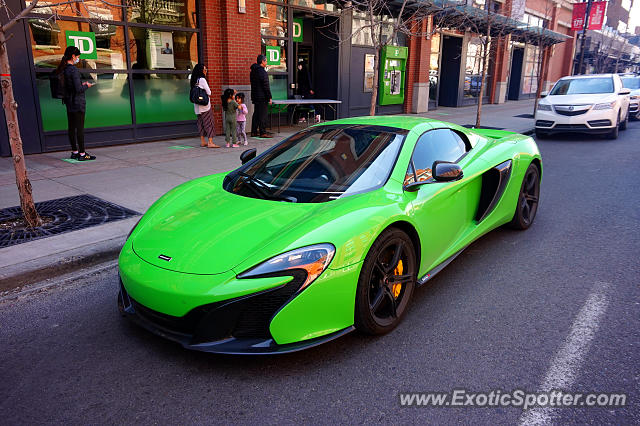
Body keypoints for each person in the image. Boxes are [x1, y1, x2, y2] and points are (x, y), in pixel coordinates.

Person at [57, 46, 95, 161]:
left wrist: (81, 85)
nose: (78, 59)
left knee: (71, 128)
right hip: (78, 103)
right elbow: (78, 89)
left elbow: (71, 87)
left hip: (69, 103)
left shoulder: (63, 69)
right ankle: (83, 154)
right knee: (80, 129)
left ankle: (74, 152)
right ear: (73, 56)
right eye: (78, 57)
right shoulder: (73, 70)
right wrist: (86, 86)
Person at [190, 63, 219, 148]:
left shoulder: (194, 80)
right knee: (209, 123)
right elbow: (209, 92)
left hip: (197, 106)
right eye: (205, 70)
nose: (206, 71)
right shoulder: (202, 79)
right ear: (201, 70)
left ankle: (203, 141)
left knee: (200, 123)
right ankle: (210, 142)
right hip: (205, 106)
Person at [249, 54, 273, 138]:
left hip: (255, 96)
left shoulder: (253, 71)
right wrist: (269, 97)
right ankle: (263, 132)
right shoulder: (262, 72)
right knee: (263, 115)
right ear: (262, 61)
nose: (266, 62)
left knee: (256, 114)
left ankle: (254, 131)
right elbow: (266, 86)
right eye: (266, 60)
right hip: (262, 96)